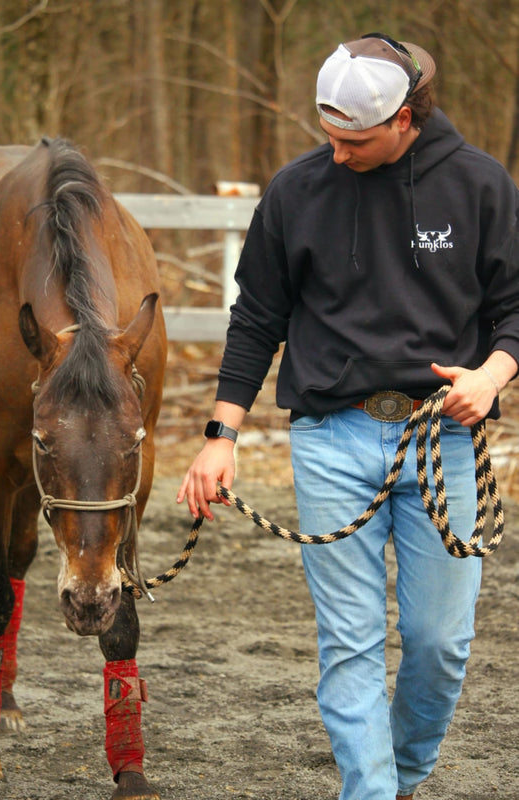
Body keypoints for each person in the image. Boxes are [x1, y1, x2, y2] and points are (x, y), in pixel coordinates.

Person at [177, 32, 519, 800]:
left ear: (404, 120)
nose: (335, 153)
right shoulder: (295, 191)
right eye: (327, 135)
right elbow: (255, 319)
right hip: (329, 438)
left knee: (438, 644)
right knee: (350, 644)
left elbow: (513, 308)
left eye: (353, 141)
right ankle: (369, 791)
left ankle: (400, 777)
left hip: (441, 439)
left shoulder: (480, 185)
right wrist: (221, 437)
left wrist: (492, 373)